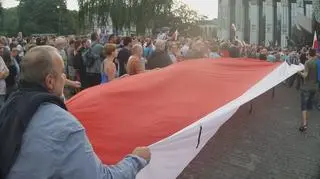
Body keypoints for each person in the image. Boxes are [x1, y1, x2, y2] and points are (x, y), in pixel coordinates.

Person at [0, 46, 151, 179]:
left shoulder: (9, 107)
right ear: (50, 81)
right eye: (62, 72)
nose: (65, 77)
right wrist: (137, 160)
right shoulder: (63, 126)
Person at [298, 49, 319, 132]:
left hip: (306, 87)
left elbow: (305, 75)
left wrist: (299, 72)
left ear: (309, 54)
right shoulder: (318, 62)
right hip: (315, 87)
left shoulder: (308, 62)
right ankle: (307, 122)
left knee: (304, 106)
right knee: (309, 106)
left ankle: (304, 124)